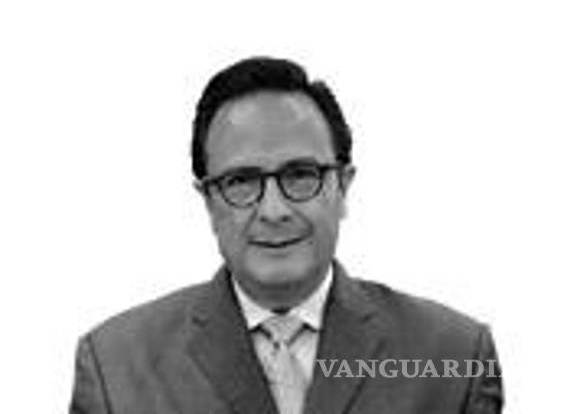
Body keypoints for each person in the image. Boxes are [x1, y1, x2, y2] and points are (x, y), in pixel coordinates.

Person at [69, 57, 504, 414]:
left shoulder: (450, 359)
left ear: (343, 186)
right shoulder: (116, 368)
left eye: (300, 174)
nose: (274, 210)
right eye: (241, 181)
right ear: (208, 202)